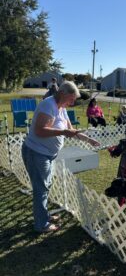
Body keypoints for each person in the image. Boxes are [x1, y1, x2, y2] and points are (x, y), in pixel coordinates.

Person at [21, 81, 100, 233]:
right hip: (36, 153)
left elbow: (71, 130)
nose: (73, 102)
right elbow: (40, 131)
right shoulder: (47, 105)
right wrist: (63, 133)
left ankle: (44, 216)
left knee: (46, 185)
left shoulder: (62, 108)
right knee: (41, 188)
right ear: (62, 93)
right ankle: (41, 224)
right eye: (71, 98)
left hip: (47, 154)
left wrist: (88, 140)